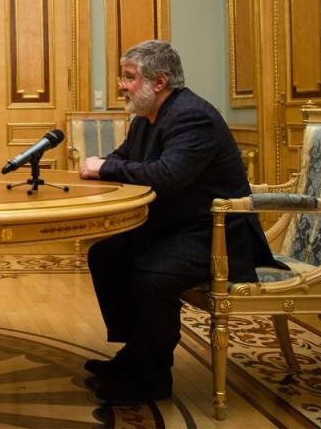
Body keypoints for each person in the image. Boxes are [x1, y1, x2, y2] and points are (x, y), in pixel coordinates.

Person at [78, 39, 281, 405]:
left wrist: (104, 167)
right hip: (176, 226)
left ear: (159, 82)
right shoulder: (145, 120)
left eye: (129, 77)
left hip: (216, 233)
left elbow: (168, 176)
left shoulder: (192, 116)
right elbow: (121, 159)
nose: (122, 86)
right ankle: (135, 352)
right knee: (106, 254)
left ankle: (152, 377)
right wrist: (104, 165)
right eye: (123, 77)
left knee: (152, 277)